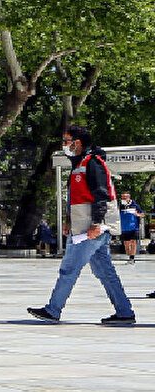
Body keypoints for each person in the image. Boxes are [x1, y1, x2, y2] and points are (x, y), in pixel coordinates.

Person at [28, 126, 136, 325]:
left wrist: (96, 223)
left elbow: (101, 195)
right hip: (86, 228)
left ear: (77, 143)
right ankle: (124, 312)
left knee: (69, 269)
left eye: (66, 141)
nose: (64, 145)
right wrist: (69, 219)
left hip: (91, 230)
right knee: (105, 271)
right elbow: (78, 197)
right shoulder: (79, 164)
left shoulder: (92, 163)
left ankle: (53, 310)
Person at [118, 190, 144, 264]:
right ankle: (130, 255)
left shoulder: (135, 206)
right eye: (122, 197)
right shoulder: (120, 206)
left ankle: (132, 258)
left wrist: (137, 214)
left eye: (124, 197)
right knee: (126, 244)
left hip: (134, 227)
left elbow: (142, 214)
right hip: (124, 228)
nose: (123, 199)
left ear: (128, 198)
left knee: (133, 242)